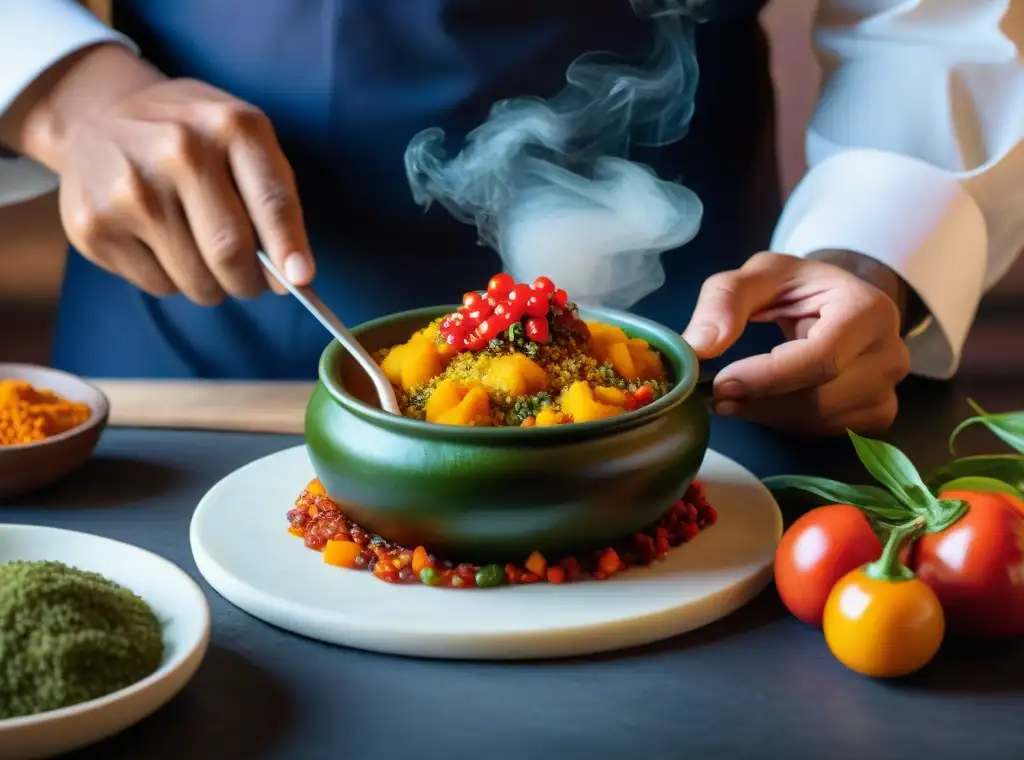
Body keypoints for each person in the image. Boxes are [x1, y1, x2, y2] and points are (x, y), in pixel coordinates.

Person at [0, 0, 1021, 435]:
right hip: (190, 337)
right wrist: (58, 87)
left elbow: (930, 21)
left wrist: (867, 252)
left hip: (701, 371)